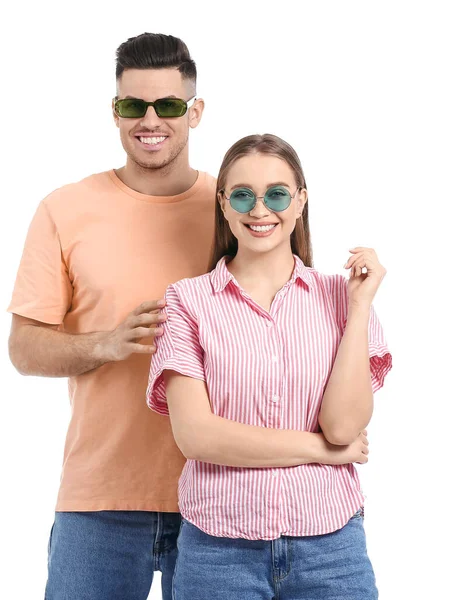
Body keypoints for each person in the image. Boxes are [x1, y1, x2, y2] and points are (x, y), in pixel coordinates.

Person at [7, 33, 215, 600]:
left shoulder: (235, 207)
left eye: (168, 106)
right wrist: (105, 343)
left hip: (218, 495)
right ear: (115, 112)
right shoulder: (65, 209)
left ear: (194, 112)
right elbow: (24, 348)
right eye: (133, 106)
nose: (150, 120)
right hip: (96, 499)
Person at [146, 133, 392, 599]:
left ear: (299, 202)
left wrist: (358, 309)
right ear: (223, 204)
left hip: (331, 547)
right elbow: (196, 436)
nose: (260, 210)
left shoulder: (341, 298)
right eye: (243, 195)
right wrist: (321, 452)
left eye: (277, 194)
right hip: (218, 551)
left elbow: (343, 427)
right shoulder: (186, 302)